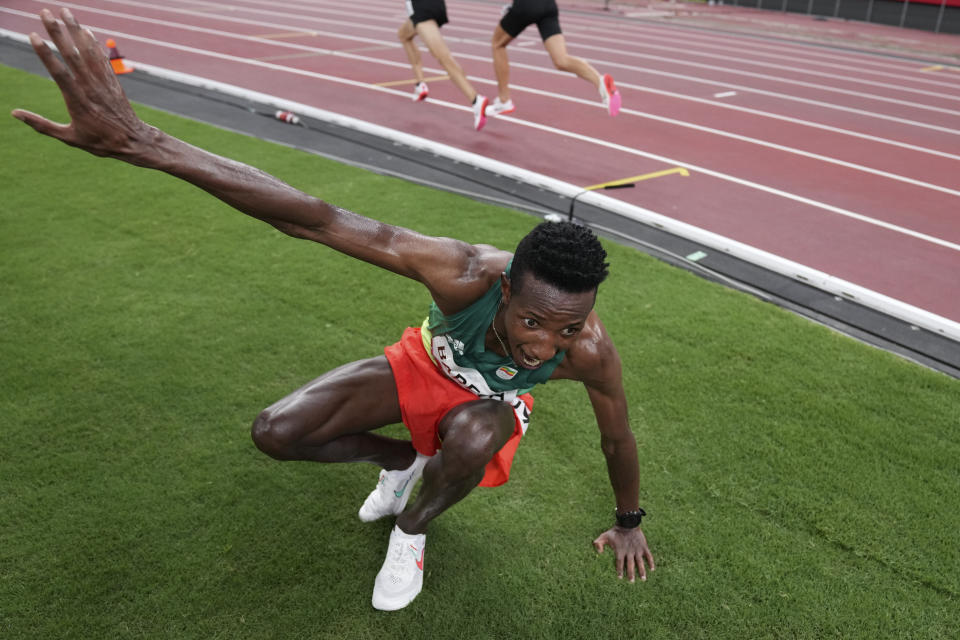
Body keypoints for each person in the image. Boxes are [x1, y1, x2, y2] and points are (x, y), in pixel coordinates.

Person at [12, 8, 654, 612]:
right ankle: (399, 460)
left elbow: (616, 436)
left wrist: (628, 523)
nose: (546, 346)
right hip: (424, 366)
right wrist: (140, 141)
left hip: (485, 409)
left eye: (568, 328)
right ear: (507, 289)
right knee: (276, 433)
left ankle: (412, 528)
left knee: (480, 432)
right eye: (533, 323)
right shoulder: (463, 274)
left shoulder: (587, 352)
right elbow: (318, 220)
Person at [489, 0, 621, 117]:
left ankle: (504, 99)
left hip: (527, 5)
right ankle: (600, 81)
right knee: (561, 60)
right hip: (548, 6)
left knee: (497, 44)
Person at [398, 0, 489, 130]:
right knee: (403, 35)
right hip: (431, 7)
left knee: (443, 57)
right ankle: (420, 84)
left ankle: (476, 100)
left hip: (423, 9)